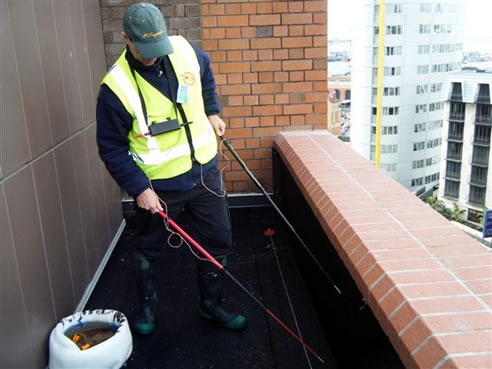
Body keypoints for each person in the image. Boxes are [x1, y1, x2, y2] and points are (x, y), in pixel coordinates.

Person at [96, 2, 247, 335]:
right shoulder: (115, 88)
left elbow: (205, 75)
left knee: (218, 240)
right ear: (126, 39)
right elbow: (112, 147)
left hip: (205, 175)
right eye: (145, 50)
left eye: (157, 47)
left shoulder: (183, 50)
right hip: (159, 188)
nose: (153, 56)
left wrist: (212, 111)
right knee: (150, 248)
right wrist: (139, 189)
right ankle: (147, 307)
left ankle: (211, 305)